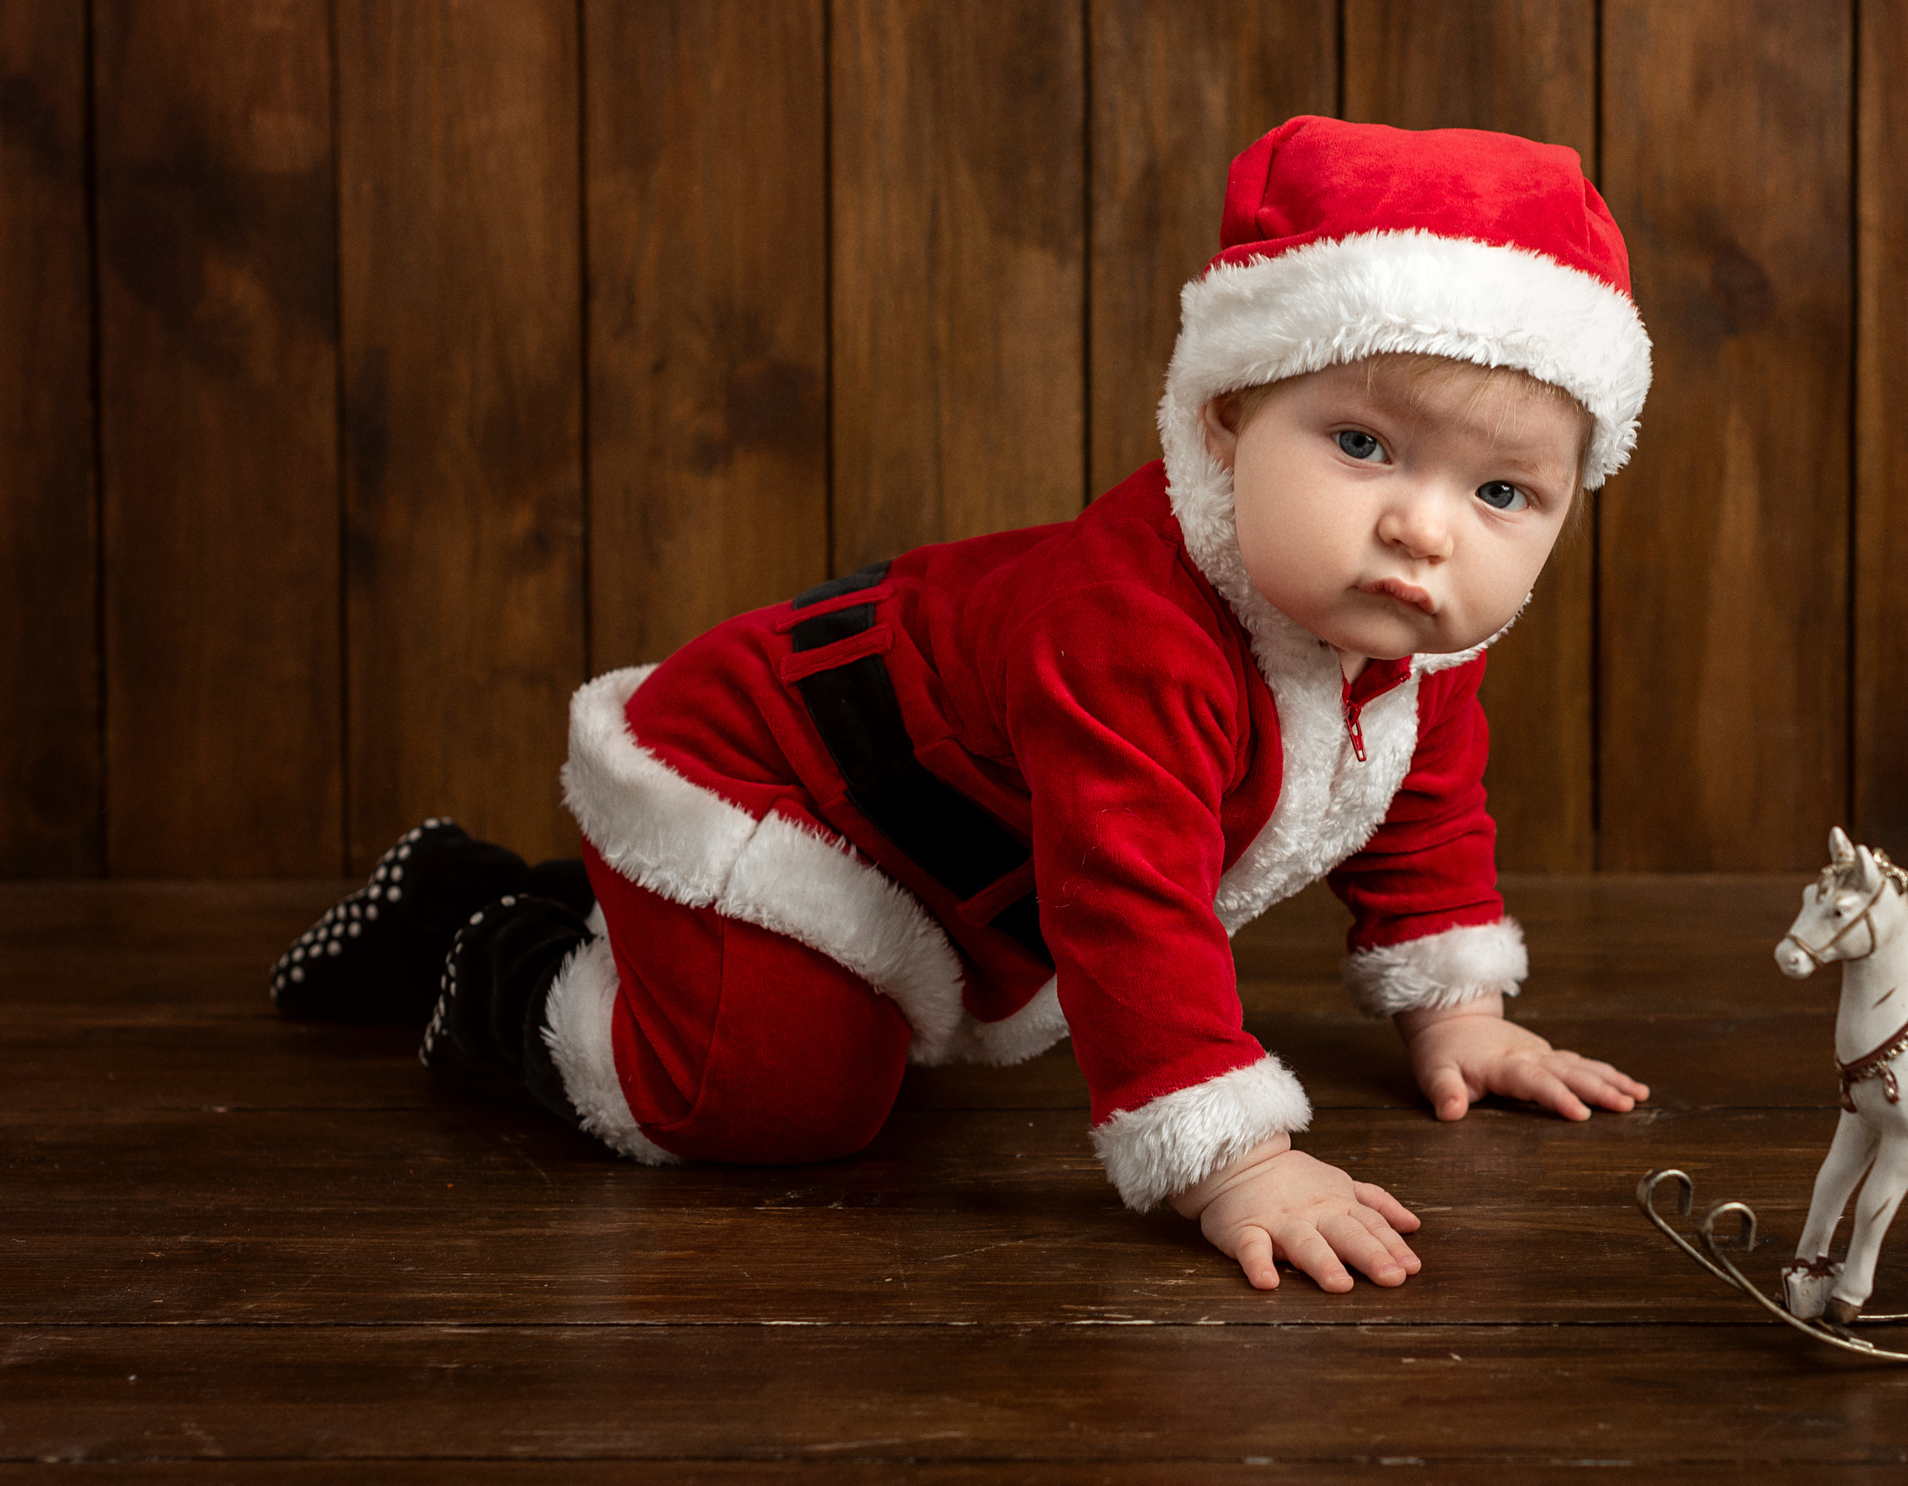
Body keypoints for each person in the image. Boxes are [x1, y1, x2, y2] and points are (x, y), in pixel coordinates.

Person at [271, 115, 1655, 1294]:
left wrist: (1454, 1006)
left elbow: (1420, 798)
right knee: (782, 1096)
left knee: (861, 1044)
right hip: (775, 776)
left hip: (924, 846)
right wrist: (1234, 1155)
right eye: (1362, 444)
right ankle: (492, 955)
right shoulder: (1135, 635)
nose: (1424, 529)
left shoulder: (1393, 634)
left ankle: (604, 919)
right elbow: (1125, 899)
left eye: (1501, 493)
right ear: (1227, 415)